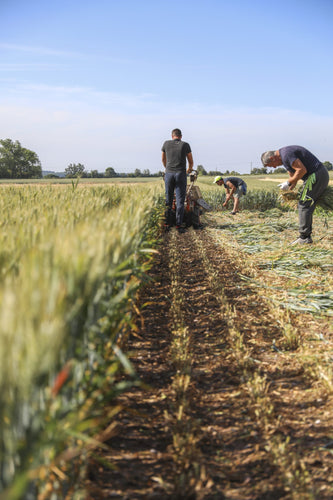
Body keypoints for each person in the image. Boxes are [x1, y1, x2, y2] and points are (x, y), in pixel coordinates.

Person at [261, 146, 329, 245]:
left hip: (316, 175)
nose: (274, 167)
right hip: (317, 175)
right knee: (305, 203)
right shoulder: (284, 159)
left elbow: (302, 170)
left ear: (272, 158)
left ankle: (304, 237)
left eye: (272, 165)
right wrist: (288, 191)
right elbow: (293, 177)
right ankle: (305, 236)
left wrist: (288, 182)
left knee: (303, 204)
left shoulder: (286, 154)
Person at [161, 128, 193, 232]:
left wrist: (167, 168)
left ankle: (167, 223)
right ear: (181, 136)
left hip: (169, 174)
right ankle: (179, 225)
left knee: (169, 199)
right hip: (180, 174)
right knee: (180, 200)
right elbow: (191, 161)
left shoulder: (166, 143)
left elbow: (163, 159)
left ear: (172, 136)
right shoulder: (185, 145)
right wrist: (189, 170)